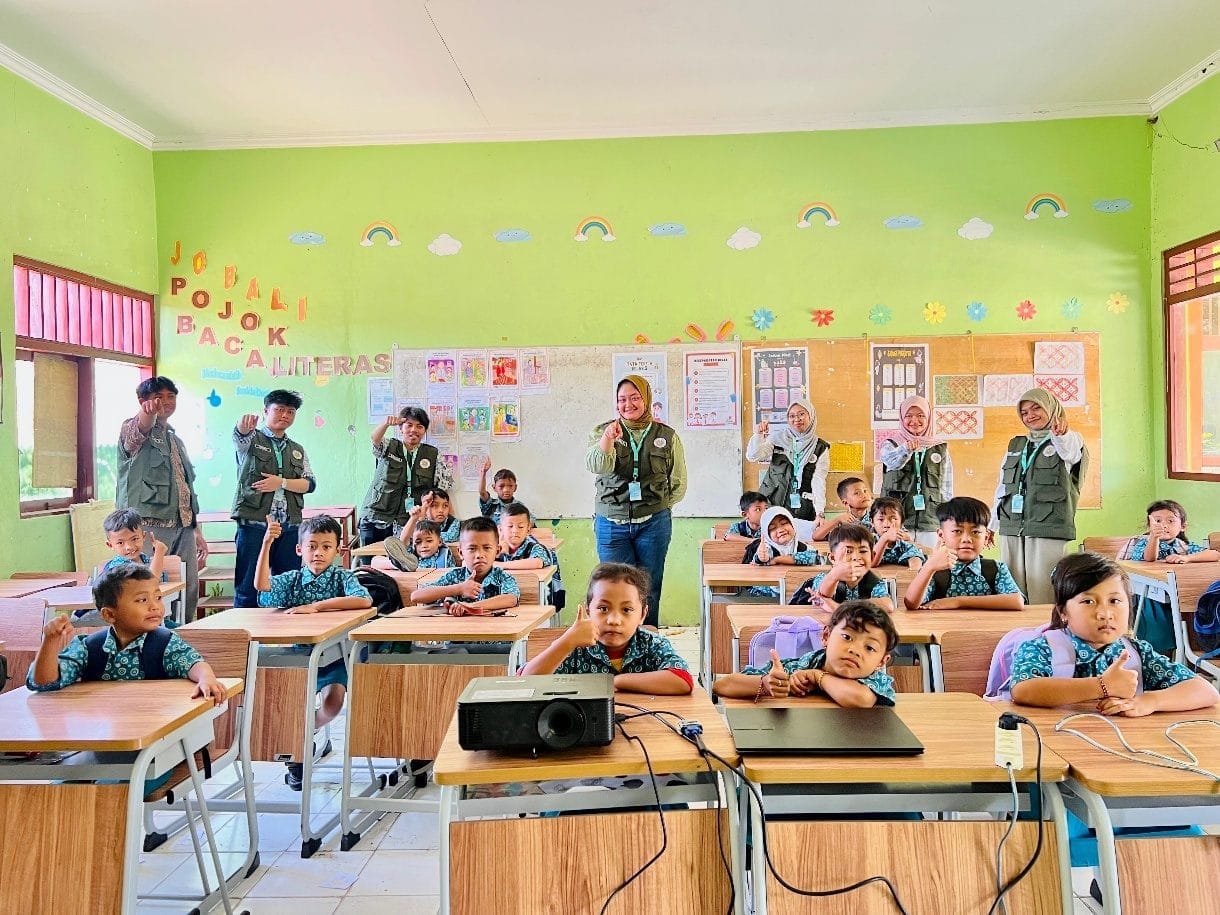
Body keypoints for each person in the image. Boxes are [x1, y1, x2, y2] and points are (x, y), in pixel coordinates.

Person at [1009, 553, 1218, 713]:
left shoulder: (1137, 653)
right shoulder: (1042, 647)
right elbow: (1023, 690)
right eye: (1088, 601)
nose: (1105, 613)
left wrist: (1150, 701)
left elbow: (1206, 691)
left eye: (1114, 601)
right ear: (1063, 612)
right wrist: (1101, 686)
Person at [256, 514, 373, 790]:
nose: (318, 553)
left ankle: (306, 731)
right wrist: (266, 544)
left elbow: (363, 600)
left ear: (337, 550)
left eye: (326, 547)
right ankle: (297, 749)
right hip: (298, 658)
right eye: (311, 546)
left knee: (333, 704)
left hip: (334, 657)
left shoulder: (342, 577)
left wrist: (318, 607)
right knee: (287, 705)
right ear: (300, 549)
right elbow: (263, 588)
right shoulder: (293, 579)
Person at [28, 564, 224, 702]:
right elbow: (45, 683)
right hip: (107, 733)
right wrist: (50, 641)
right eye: (142, 600)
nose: (155, 606)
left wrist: (206, 678)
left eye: (157, 598)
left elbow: (193, 663)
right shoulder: (88, 648)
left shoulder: (166, 643)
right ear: (109, 614)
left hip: (159, 732)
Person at [586, 374, 687, 628]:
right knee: (614, 588)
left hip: (654, 524)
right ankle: (618, 643)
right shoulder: (602, 431)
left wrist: (658, 507)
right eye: (622, 399)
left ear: (646, 400)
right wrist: (608, 439)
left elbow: (677, 482)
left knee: (648, 588)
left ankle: (647, 642)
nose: (628, 404)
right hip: (611, 524)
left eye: (634, 398)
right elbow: (597, 466)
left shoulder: (667, 435)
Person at [519, 563, 692, 695]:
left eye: (626, 610)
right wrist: (567, 641)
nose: (614, 620)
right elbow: (524, 682)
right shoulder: (575, 647)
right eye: (603, 608)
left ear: (642, 614)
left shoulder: (652, 644)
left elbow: (682, 679)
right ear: (588, 610)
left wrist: (616, 682)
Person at [116, 376, 206, 622]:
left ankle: (183, 634)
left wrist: (196, 530)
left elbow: (185, 488)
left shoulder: (175, 439)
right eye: (158, 397)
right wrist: (147, 413)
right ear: (142, 401)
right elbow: (141, 427)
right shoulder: (133, 429)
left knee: (187, 587)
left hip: (183, 526)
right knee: (146, 586)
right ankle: (147, 635)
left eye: (170, 396)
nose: (165, 402)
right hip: (148, 527)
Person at [993, 388, 1088, 605]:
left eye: (1036, 408)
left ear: (1051, 408)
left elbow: (1069, 452)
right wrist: (992, 525)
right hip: (1012, 526)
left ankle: (1046, 627)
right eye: (1024, 412)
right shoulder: (1017, 444)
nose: (1030, 415)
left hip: (1048, 526)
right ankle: (1016, 628)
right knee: (1012, 590)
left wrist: (1061, 434)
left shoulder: (1070, 439)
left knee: (1044, 590)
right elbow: (1002, 487)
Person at [714, 601, 898, 707]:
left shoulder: (875, 680)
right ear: (825, 636)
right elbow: (722, 685)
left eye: (870, 648)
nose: (855, 650)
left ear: (882, 661)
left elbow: (860, 700)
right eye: (847, 637)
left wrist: (818, 677)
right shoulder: (801, 666)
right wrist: (766, 684)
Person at [231, 389, 315, 608]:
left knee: (287, 584)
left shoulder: (297, 449)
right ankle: (245, 629)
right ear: (266, 411)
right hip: (254, 523)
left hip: (290, 525)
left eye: (290, 411)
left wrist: (282, 482)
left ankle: (288, 628)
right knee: (248, 586)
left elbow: (309, 484)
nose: (285, 415)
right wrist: (243, 427)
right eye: (279, 409)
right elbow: (240, 436)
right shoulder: (252, 439)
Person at [904, 497, 1024, 611]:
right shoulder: (934, 570)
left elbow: (1017, 601)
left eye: (975, 532)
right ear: (941, 535)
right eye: (957, 531)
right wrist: (929, 566)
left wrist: (958, 602)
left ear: (986, 537)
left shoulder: (996, 569)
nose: (967, 539)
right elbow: (911, 603)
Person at [358, 408, 452, 548]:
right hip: (376, 517)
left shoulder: (433, 455)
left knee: (400, 559)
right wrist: (385, 424)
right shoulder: (389, 446)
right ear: (401, 428)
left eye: (419, 426)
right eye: (409, 425)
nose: (414, 430)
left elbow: (443, 489)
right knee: (369, 559)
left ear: (424, 431)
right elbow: (375, 440)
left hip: (407, 522)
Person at [878, 395, 953, 547]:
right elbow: (891, 462)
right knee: (897, 560)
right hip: (896, 522)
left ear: (928, 418)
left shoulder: (939, 448)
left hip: (930, 522)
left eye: (920, 416)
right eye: (909, 416)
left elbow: (947, 488)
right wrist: (905, 450)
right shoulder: (891, 444)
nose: (914, 421)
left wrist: (947, 522)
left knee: (929, 559)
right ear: (902, 418)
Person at [410, 517, 520, 616]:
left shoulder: (502, 577)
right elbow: (416, 596)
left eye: (487, 548)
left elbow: (511, 599)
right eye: (472, 549)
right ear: (461, 552)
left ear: (497, 551)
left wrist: (470, 607)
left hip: (493, 631)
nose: (479, 555)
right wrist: (459, 588)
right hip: (458, 631)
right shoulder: (455, 576)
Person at [746, 399, 830, 522]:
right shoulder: (777, 439)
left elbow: (819, 481)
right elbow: (753, 456)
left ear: (811, 416)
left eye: (801, 414)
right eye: (792, 416)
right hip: (771, 504)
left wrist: (820, 512)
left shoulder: (820, 447)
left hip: (802, 509)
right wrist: (758, 436)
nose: (797, 419)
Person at [789, 524, 894, 612]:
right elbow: (824, 595)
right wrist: (835, 575)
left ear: (872, 557)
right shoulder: (824, 578)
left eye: (863, 551)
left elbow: (887, 605)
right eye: (848, 551)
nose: (856, 557)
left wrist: (839, 607)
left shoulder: (874, 582)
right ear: (833, 558)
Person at [741, 506, 823, 599]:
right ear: (767, 535)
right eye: (772, 528)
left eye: (784, 523)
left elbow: (813, 557)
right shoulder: (767, 548)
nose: (780, 530)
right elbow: (761, 558)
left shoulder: (804, 547)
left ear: (792, 525)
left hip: (801, 596)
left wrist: (777, 560)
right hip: (769, 598)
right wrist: (761, 558)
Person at [1128, 500, 1220, 564]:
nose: (1164, 525)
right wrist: (1154, 536)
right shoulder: (1142, 542)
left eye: (1170, 521)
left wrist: (1186, 558)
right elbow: (1149, 558)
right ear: (1149, 525)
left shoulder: (1182, 546)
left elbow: (1215, 554)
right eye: (1158, 521)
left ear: (1183, 526)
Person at [869, 497, 924, 570]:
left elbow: (915, 558)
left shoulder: (903, 544)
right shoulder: (868, 541)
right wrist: (885, 538)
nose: (887, 524)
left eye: (893, 519)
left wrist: (914, 568)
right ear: (872, 522)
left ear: (901, 523)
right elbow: (870, 562)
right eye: (881, 519)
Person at [385, 515, 456, 572]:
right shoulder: (411, 555)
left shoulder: (444, 554)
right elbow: (403, 542)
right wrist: (413, 518)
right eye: (418, 542)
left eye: (429, 541)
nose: (424, 546)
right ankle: (396, 564)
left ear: (439, 542)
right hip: (414, 581)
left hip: (436, 583)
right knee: (379, 561)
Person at [496, 502, 553, 569]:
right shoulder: (496, 548)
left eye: (521, 527)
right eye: (510, 526)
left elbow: (537, 563)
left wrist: (501, 565)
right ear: (500, 529)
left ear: (528, 529)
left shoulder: (534, 547)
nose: (515, 531)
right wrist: (499, 554)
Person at [479, 460, 518, 524]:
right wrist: (483, 474)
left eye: (510, 486)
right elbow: (482, 493)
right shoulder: (490, 505)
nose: (506, 490)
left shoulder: (519, 507)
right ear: (494, 488)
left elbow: (531, 521)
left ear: (515, 487)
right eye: (501, 486)